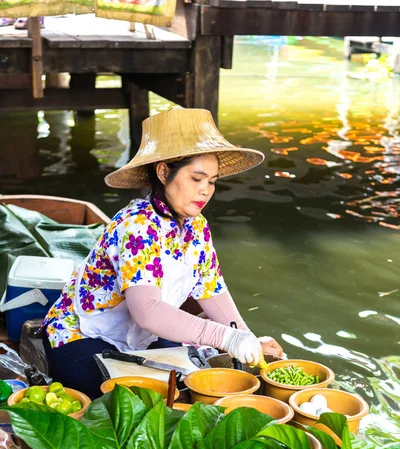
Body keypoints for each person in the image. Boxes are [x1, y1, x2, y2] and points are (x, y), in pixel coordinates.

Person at [42, 108, 284, 398]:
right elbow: (148, 311)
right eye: (196, 178)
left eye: (212, 181)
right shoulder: (137, 224)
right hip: (81, 335)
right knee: (139, 402)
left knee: (192, 384)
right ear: (163, 171)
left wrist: (247, 338)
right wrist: (226, 337)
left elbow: (212, 292)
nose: (205, 191)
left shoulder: (197, 227)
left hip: (139, 339)